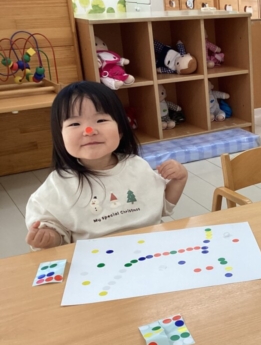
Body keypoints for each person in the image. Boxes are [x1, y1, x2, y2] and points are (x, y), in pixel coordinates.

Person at [25, 81, 188, 250]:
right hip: (95, 257)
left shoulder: (136, 165)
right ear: (60, 136)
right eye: (74, 124)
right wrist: (49, 237)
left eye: (101, 120)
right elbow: (52, 229)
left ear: (120, 130)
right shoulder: (59, 184)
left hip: (151, 248)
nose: (89, 131)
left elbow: (162, 206)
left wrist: (179, 179)